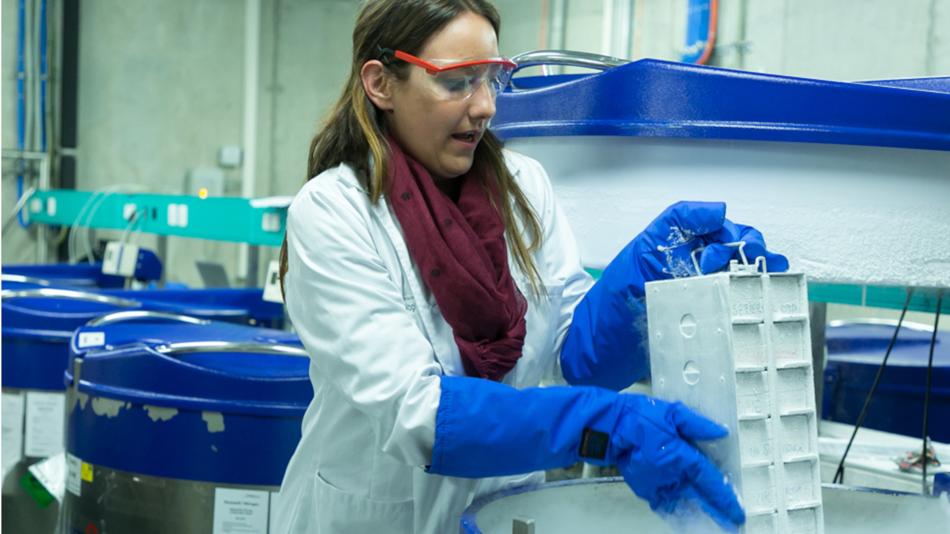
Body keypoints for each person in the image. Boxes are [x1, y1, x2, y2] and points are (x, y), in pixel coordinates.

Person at [274, 1, 788, 532]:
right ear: (381, 83)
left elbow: (572, 356)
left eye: (494, 78)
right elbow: (418, 413)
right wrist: (602, 427)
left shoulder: (521, 188)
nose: (485, 107)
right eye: (458, 82)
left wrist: (642, 287)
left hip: (502, 512)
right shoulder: (336, 212)